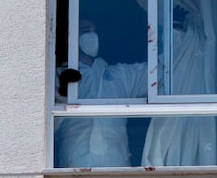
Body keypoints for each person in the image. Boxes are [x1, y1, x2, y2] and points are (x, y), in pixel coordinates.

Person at [54, 19, 148, 168]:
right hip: (74, 166)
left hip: (116, 166)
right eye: (86, 30)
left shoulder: (121, 75)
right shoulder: (58, 76)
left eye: (95, 31)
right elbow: (42, 127)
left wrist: (176, 33)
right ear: (70, 37)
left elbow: (162, 72)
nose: (92, 36)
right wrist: (61, 97)